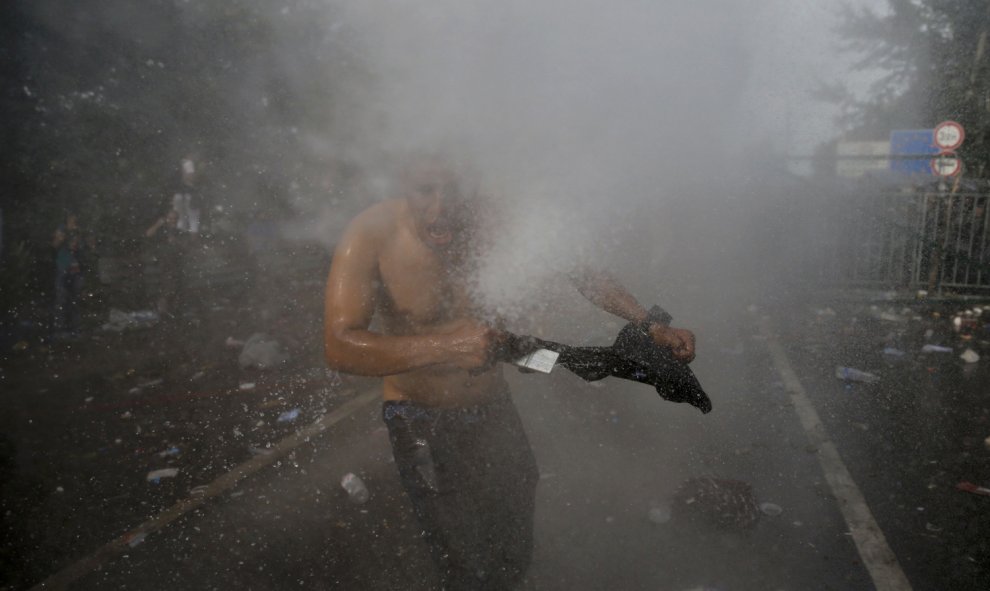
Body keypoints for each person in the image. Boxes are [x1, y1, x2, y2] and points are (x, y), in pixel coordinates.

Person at [323, 156, 695, 590]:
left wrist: (651, 324)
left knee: (514, 521)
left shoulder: (495, 220)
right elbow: (339, 346)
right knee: (460, 551)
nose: (441, 210)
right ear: (403, 181)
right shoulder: (371, 233)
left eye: (455, 191)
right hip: (420, 416)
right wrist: (444, 346)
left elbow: (584, 272)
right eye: (426, 190)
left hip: (491, 406)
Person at [52, 212, 94, 338]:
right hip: (63, 267)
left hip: (77, 269)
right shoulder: (62, 229)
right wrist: (60, 238)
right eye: (70, 218)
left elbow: (91, 246)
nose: (72, 220)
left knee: (75, 300)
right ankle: (59, 330)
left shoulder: (82, 231)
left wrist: (87, 240)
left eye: (74, 218)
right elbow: (54, 245)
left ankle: (75, 329)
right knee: (61, 299)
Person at [144, 209, 185, 315]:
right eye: (170, 218)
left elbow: (185, 247)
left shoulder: (179, 232)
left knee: (175, 289)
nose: (173, 221)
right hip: (164, 264)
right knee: (166, 289)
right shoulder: (162, 230)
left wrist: (176, 241)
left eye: (175, 219)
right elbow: (148, 234)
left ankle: (172, 312)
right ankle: (163, 312)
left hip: (177, 264)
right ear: (166, 219)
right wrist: (158, 224)